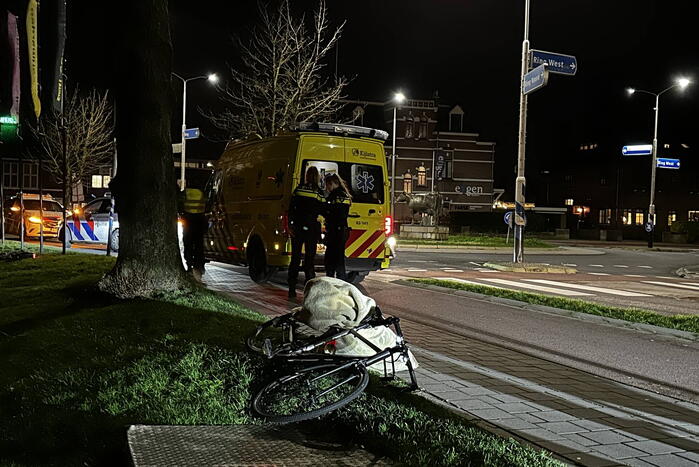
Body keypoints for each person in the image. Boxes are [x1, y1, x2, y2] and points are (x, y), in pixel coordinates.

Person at [287, 166, 324, 298]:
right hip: (312, 228)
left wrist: (290, 225)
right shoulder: (319, 192)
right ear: (317, 177)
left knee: (295, 259)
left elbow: (291, 208)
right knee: (309, 259)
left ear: (307, 175)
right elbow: (323, 210)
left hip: (297, 227)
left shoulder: (298, 189)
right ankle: (309, 290)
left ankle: (291, 288)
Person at [323, 173, 351, 281]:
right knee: (339, 258)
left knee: (331, 258)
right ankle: (341, 281)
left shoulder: (335, 195)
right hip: (342, 230)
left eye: (328, 185)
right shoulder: (344, 195)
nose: (327, 188)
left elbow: (330, 212)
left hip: (335, 231)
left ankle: (331, 281)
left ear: (333, 184)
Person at [181, 187, 207, 281]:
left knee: (188, 244)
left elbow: (180, 205)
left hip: (188, 221)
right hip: (199, 220)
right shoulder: (203, 192)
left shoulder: (185, 193)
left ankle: (189, 266)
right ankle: (199, 266)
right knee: (199, 245)